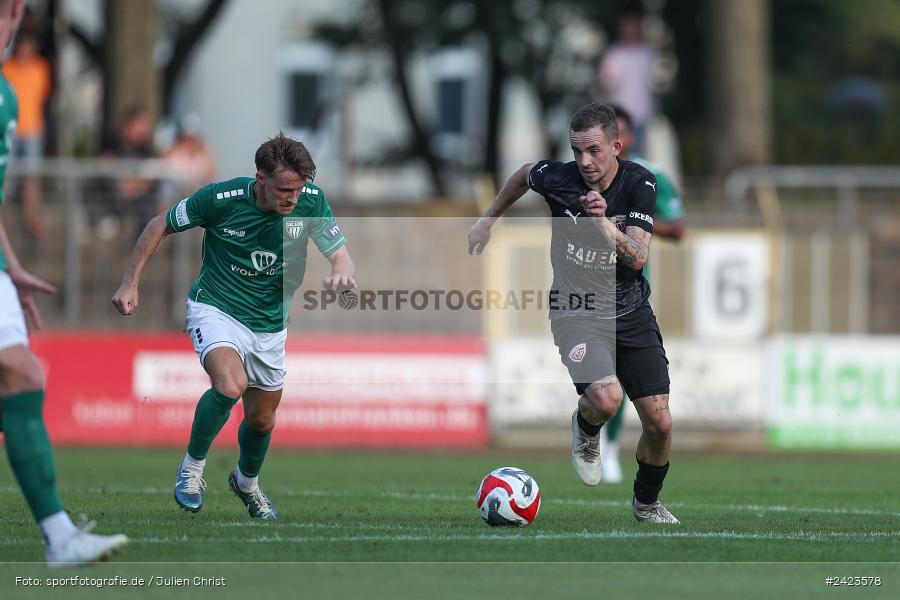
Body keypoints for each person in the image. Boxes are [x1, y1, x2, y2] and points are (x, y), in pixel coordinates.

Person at [112, 133, 356, 520]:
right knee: (229, 384)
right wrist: (130, 282)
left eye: (299, 187)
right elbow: (159, 224)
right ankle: (192, 469)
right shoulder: (220, 200)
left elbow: (341, 256)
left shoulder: (311, 202)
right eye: (284, 189)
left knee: (262, 420)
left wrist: (341, 273)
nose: (292, 197)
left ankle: (246, 481)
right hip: (216, 309)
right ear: (260, 178)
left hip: (271, 325)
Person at [468, 102, 677, 523]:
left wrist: (602, 223)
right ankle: (586, 428)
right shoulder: (558, 177)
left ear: (616, 146)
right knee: (606, 398)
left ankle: (647, 503)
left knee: (660, 424)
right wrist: (488, 219)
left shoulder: (641, 183)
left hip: (631, 311)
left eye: (594, 150)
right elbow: (524, 174)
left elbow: (636, 257)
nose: (584, 161)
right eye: (577, 150)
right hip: (575, 310)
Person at [0, 0, 128, 565]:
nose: (6, 26)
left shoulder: (7, 96)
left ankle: (59, 538)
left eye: (11, 15)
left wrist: (10, 265)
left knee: (21, 379)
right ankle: (58, 538)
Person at [598, 104, 685, 483]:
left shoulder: (650, 176)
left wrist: (637, 222)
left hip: (631, 290)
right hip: (588, 289)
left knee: (634, 385)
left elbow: (678, 228)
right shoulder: (586, 176)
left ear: (628, 138)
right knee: (608, 381)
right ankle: (605, 444)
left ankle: (609, 447)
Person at [2, 30, 50, 236]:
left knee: (31, 175)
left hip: (32, 128)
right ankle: (3, 214)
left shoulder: (40, 67)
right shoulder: (8, 69)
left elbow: (42, 93)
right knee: (6, 173)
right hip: (11, 128)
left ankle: (30, 216)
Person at [599, 13, 657, 156]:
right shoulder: (614, 54)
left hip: (641, 113)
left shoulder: (647, 53)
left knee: (637, 153)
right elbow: (607, 82)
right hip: (621, 114)